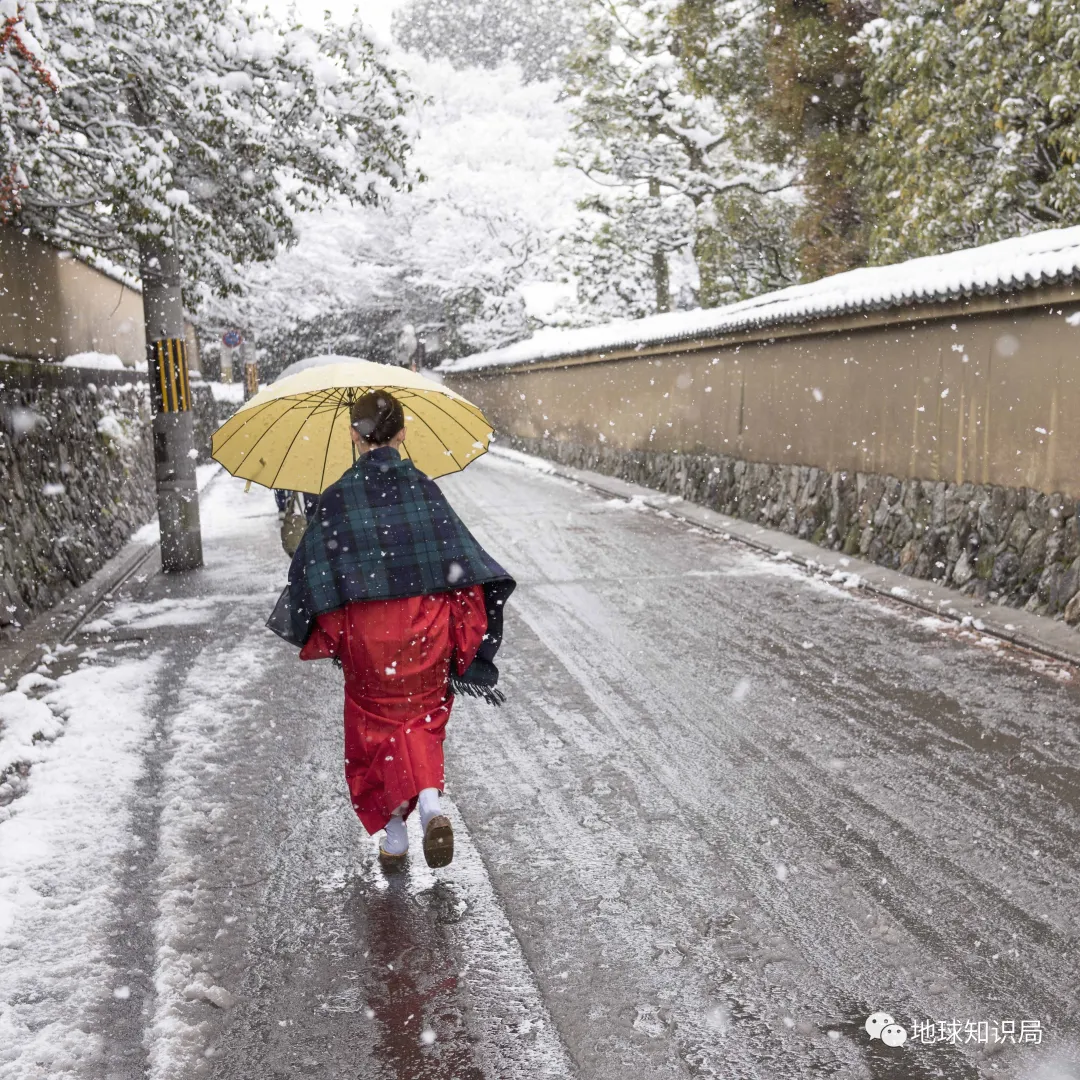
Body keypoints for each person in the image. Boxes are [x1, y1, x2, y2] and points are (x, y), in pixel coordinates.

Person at [267, 391, 515, 869]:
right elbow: (466, 564)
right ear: (403, 433)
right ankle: (429, 803)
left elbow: (312, 574)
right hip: (425, 629)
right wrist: (467, 645)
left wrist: (332, 624)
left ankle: (396, 836)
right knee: (421, 718)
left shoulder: (338, 496)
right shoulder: (424, 489)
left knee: (372, 727)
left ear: (353, 436)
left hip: (367, 634)